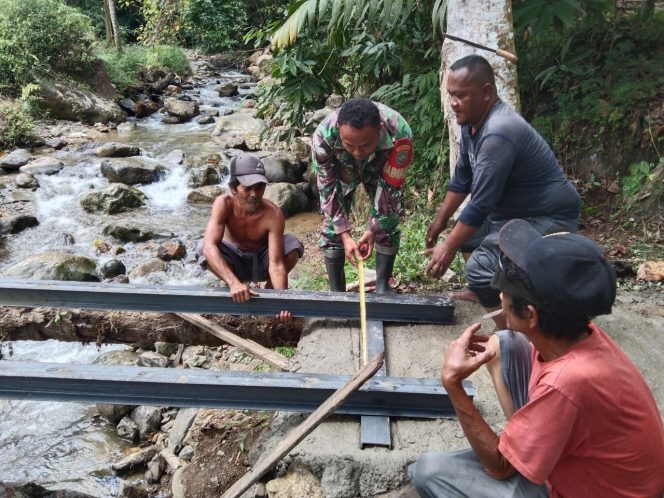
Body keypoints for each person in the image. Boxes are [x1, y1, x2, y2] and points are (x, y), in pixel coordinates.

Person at [411, 219, 664, 498]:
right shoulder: (581, 334)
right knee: (506, 343)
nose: (499, 294)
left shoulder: (567, 384)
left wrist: (452, 383)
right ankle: (526, 443)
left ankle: (524, 453)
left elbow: (499, 468)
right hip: (598, 471)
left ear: (530, 315)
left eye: (505, 286)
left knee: (429, 472)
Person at [423, 55, 581, 329]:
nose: (453, 103)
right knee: (469, 240)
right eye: (450, 95)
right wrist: (438, 224)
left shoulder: (498, 132)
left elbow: (481, 203)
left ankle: (509, 331)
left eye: (461, 96)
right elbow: (462, 180)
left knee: (479, 267)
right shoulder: (471, 123)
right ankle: (488, 291)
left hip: (548, 217)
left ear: (486, 92)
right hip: (514, 214)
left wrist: (447, 246)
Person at [311, 98, 413, 293]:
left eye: (365, 145)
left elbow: (390, 192)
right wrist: (345, 235)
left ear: (379, 129)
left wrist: (373, 229)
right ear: (339, 128)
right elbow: (328, 190)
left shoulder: (400, 133)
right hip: (341, 169)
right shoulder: (323, 137)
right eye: (350, 144)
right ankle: (336, 292)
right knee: (333, 227)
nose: (358, 152)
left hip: (381, 167)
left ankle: (383, 287)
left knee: (387, 221)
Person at [195, 152, 304, 319]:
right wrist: (233, 283)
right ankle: (236, 288)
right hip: (235, 262)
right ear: (233, 188)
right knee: (203, 247)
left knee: (292, 245)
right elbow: (209, 247)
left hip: (261, 262)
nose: (254, 194)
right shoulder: (223, 204)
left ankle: (269, 292)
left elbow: (276, 264)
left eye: (260, 187)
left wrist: (282, 301)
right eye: (247, 188)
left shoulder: (273, 214)